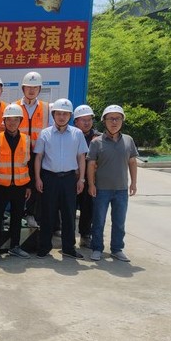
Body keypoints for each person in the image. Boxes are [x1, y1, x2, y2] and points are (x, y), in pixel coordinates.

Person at [34, 98, 88, 259]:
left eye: (65, 114)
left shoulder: (77, 134)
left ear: (70, 116)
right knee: (48, 214)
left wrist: (81, 179)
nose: (62, 117)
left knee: (69, 214)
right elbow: (38, 157)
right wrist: (37, 178)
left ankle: (68, 248)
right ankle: (44, 246)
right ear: (53, 115)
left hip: (69, 179)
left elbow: (81, 157)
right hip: (49, 178)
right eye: (58, 114)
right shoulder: (45, 133)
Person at [87, 105, 138, 262]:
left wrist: (133, 183)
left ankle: (117, 249)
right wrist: (91, 184)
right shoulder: (96, 142)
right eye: (111, 118)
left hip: (121, 189)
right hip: (101, 189)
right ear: (104, 121)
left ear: (122, 121)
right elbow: (91, 164)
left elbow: (132, 162)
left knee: (119, 221)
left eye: (118, 118)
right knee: (98, 221)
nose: (114, 122)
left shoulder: (128, 140)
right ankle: (97, 248)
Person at [0, 104, 32, 259]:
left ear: (20, 121)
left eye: (15, 120)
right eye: (9, 120)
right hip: (0, 185)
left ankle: (15, 246)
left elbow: (29, 164)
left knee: (17, 217)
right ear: (4, 121)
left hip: (20, 186)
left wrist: (28, 186)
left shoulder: (26, 139)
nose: (12, 123)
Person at [16, 71, 50, 229]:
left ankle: (30, 214)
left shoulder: (47, 108)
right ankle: (16, 214)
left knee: (36, 184)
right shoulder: (14, 106)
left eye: (35, 87)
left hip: (38, 153)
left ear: (39, 89)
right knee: (18, 184)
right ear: (23, 88)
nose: (31, 90)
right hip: (18, 153)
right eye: (28, 87)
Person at [73, 104, 101, 248]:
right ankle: (66, 235)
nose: (87, 123)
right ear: (76, 121)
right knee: (68, 207)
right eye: (83, 120)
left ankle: (85, 235)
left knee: (88, 207)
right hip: (72, 177)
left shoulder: (98, 138)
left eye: (89, 120)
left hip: (90, 179)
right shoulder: (70, 134)